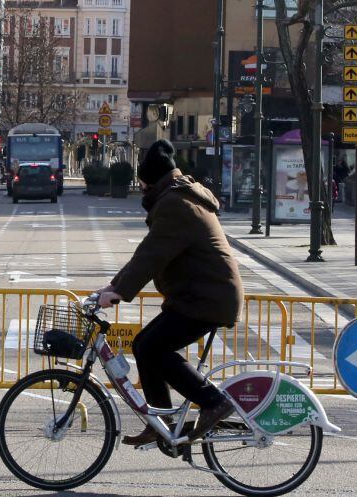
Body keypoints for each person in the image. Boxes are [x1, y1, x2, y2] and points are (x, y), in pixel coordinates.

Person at [96, 139, 244, 446]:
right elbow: (148, 253)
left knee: (152, 348)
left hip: (206, 299)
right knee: (145, 346)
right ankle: (160, 422)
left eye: (142, 183)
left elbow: (152, 256)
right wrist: (114, 287)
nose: (140, 189)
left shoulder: (177, 205)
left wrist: (119, 291)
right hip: (199, 295)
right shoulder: (178, 198)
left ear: (151, 180)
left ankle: (213, 401)